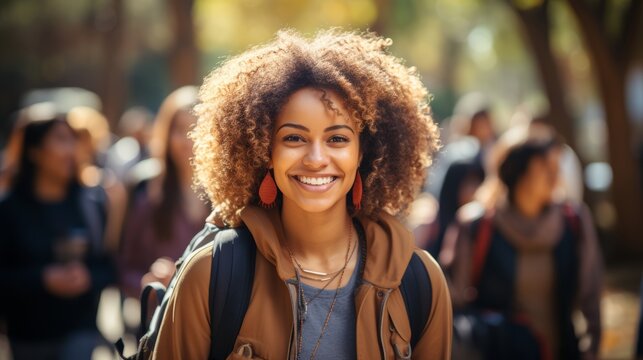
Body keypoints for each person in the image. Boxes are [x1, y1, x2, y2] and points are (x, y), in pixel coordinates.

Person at [152, 29, 452, 359]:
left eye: (337, 139)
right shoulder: (212, 275)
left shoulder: (419, 281)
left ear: (362, 153)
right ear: (265, 150)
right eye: (294, 138)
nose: (316, 159)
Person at [441, 124, 603, 360]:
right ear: (517, 171)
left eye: (557, 166)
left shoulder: (574, 220)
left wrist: (591, 349)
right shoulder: (477, 225)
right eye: (546, 167)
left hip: (564, 350)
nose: (556, 176)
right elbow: (451, 300)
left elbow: (591, 295)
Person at [0, 107, 116, 360]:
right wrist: (43, 279)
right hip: (27, 338)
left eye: (73, 139)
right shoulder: (8, 209)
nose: (71, 148)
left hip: (80, 332)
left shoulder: (92, 203)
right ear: (34, 151)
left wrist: (87, 277)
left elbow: (109, 266)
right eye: (60, 139)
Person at [119, 86, 209, 298]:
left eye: (197, 129)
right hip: (162, 320)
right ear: (166, 135)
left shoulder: (231, 198)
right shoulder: (147, 194)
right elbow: (125, 268)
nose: (189, 140)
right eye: (180, 129)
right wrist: (149, 282)